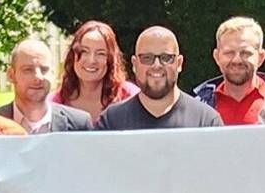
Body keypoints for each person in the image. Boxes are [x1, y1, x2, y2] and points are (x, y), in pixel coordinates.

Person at [95, 27, 225, 130]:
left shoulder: (205, 121)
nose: (156, 65)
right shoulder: (111, 122)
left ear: (179, 63)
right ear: (134, 64)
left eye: (166, 58)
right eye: (147, 58)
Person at [193, 15, 265, 125]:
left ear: (261, 57)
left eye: (245, 53)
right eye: (229, 53)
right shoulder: (197, 107)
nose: (237, 60)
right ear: (217, 57)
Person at [0, 37, 91, 133]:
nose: (38, 77)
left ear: (54, 73)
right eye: (28, 70)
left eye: (44, 69)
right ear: (11, 75)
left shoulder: (79, 124)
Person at [55, 19, 137, 122]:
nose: (91, 60)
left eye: (100, 53)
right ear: (72, 56)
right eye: (84, 51)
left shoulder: (130, 97)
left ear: (110, 60)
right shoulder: (55, 103)